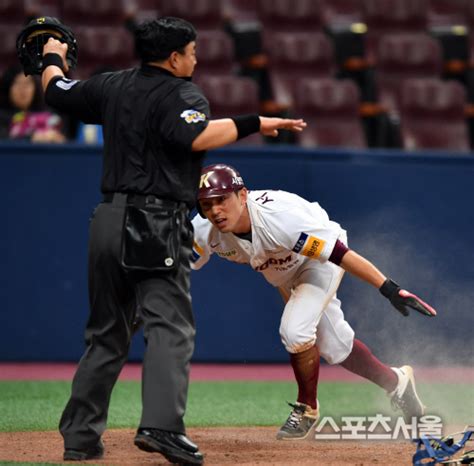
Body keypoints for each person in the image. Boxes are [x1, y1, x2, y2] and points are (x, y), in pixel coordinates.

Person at [36, 16, 306, 465]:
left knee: (106, 335)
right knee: (171, 329)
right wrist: (256, 121)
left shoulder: (111, 85)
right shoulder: (183, 93)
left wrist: (50, 54)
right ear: (175, 56)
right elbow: (195, 134)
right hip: (154, 222)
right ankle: (161, 427)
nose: (196, 58)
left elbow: (55, 91)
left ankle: (80, 439)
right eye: (193, 51)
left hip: (106, 220)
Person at [191, 163, 437, 440]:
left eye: (222, 199)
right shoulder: (204, 229)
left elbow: (339, 255)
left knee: (295, 331)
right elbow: (176, 268)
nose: (215, 211)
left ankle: (307, 408)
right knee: (335, 347)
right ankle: (398, 384)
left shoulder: (280, 219)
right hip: (283, 272)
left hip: (317, 263)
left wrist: (389, 288)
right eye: (206, 204)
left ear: (243, 195)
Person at [0, 65, 65, 142]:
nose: (22, 89)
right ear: (8, 87)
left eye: (27, 84)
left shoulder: (49, 115)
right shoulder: (2, 117)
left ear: (35, 87)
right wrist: (31, 138)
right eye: (17, 83)